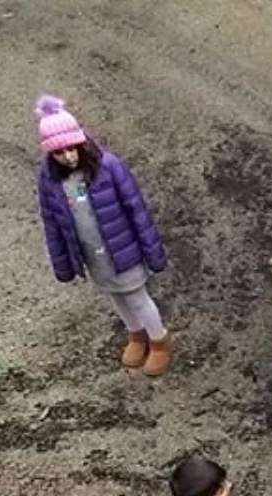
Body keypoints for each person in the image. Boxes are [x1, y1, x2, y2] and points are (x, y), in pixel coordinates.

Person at [34, 95, 172, 376]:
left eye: (73, 149)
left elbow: (137, 210)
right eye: (61, 153)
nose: (69, 156)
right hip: (93, 254)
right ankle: (136, 334)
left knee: (136, 297)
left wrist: (152, 251)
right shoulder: (49, 179)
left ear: (81, 142)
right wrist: (62, 263)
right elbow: (52, 222)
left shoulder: (109, 167)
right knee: (116, 297)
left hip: (124, 250)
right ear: (51, 154)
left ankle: (159, 341)